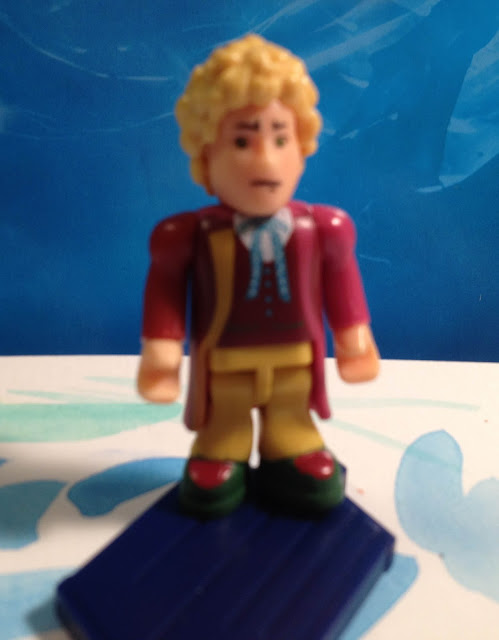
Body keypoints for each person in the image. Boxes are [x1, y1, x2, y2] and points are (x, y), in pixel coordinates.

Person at [137, 34, 380, 517]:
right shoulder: (187, 236)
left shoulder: (325, 229)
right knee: (225, 418)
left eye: (280, 138)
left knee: (290, 412)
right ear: (206, 153)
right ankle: (222, 447)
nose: (265, 160)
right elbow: (165, 291)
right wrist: (161, 353)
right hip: (226, 361)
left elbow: (342, 285)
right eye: (242, 140)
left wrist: (354, 340)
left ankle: (290, 443)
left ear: (302, 146)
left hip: (294, 360)